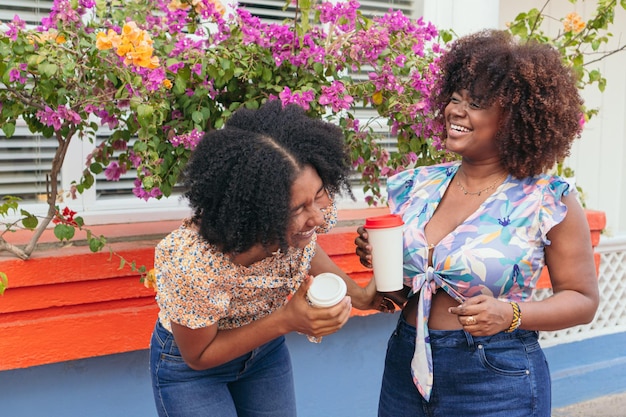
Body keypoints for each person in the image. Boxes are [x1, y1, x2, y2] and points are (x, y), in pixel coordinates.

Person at [355, 29, 600, 417]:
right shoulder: (416, 186)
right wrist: (384, 262)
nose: (456, 110)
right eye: (455, 98)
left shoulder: (546, 199)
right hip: (407, 360)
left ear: (514, 117)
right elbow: (405, 294)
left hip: (495, 374)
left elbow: (583, 301)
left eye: (476, 103)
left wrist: (512, 314)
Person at [149, 100, 393, 417]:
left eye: (319, 195)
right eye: (298, 210)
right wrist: (287, 319)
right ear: (256, 215)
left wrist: (362, 297)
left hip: (264, 354)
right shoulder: (191, 262)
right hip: (192, 368)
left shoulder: (308, 214)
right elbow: (199, 355)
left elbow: (306, 248)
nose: (318, 217)